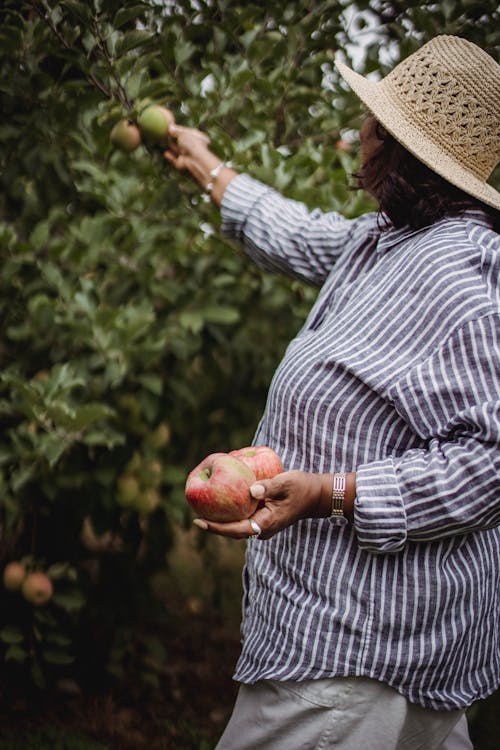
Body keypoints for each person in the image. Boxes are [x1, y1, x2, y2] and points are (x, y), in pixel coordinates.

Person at [165, 35, 499, 750]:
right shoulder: (387, 242)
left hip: (354, 657)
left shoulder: (458, 280)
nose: (363, 133)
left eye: (375, 123)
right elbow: (300, 233)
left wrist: (334, 492)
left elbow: (489, 462)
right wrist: (204, 163)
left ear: (402, 152)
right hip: (381, 647)